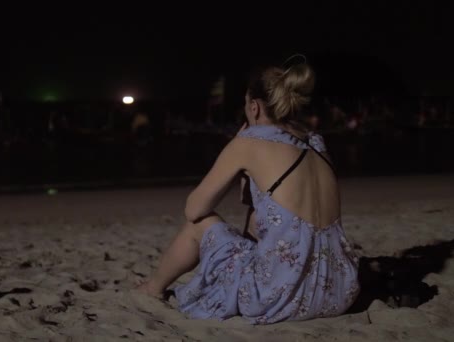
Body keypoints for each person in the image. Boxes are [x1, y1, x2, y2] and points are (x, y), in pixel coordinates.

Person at [137, 56, 360, 324]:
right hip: (338, 292)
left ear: (254, 108)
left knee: (199, 224)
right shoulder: (316, 142)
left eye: (245, 105)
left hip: (282, 297)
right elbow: (262, 225)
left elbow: (194, 208)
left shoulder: (249, 142)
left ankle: (152, 288)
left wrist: (236, 145)